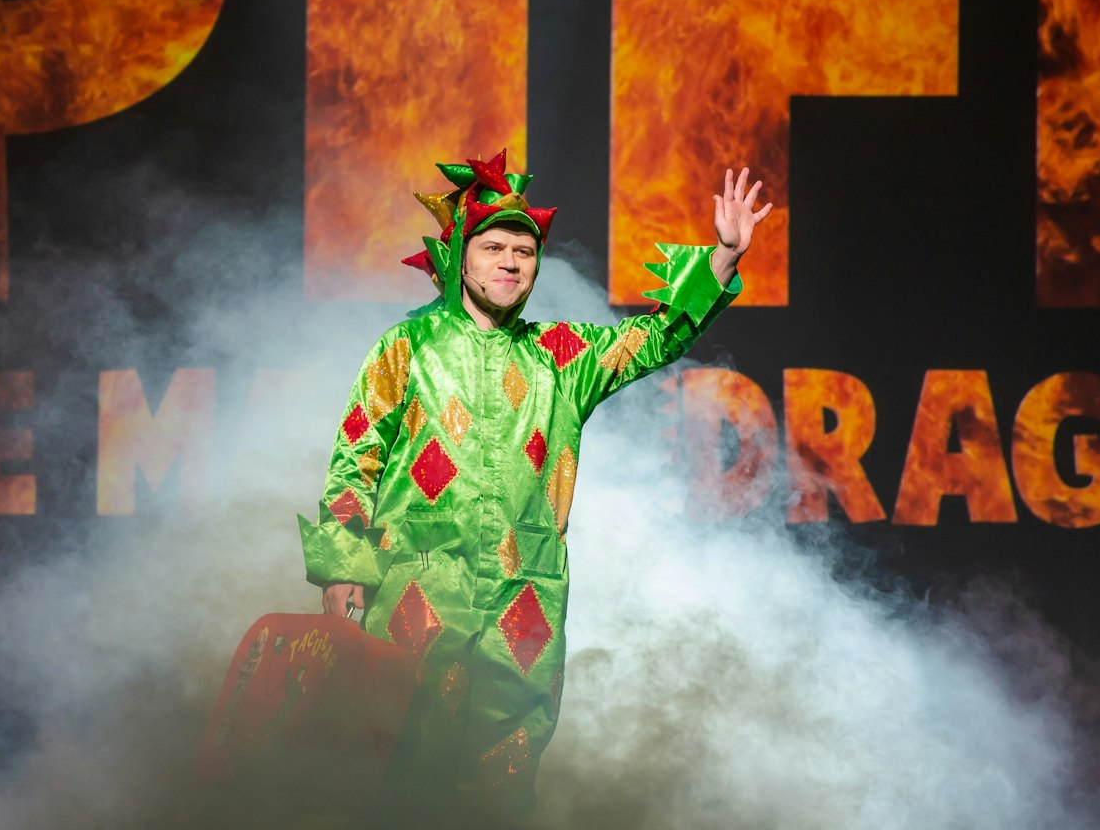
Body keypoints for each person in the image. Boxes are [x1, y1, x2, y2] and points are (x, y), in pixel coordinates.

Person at [298, 151, 769, 816]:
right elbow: (356, 457)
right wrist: (344, 566)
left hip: (524, 600)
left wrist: (722, 258)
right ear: (459, 255)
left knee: (503, 780)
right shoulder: (406, 347)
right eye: (493, 247)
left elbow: (655, 337)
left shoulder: (561, 356)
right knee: (407, 769)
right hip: (418, 587)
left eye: (524, 251)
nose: (511, 262)